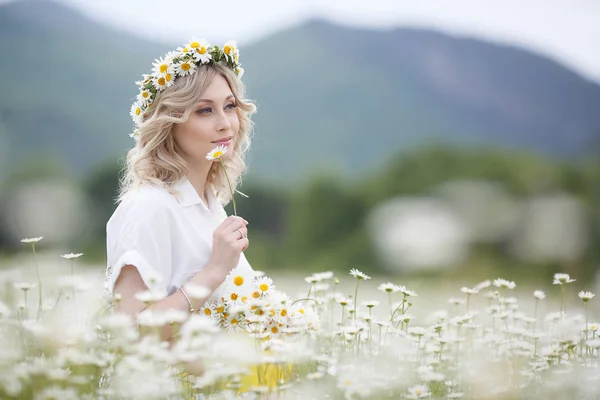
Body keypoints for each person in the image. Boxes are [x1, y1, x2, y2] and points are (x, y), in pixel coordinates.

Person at [104, 39, 256, 342]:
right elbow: (128, 334)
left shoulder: (211, 205)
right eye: (204, 111)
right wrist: (214, 271)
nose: (225, 124)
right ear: (169, 122)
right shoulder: (149, 206)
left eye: (229, 106)